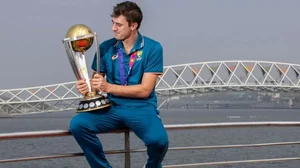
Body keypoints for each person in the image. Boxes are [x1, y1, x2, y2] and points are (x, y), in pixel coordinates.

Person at [69, 1, 169, 168]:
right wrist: (86, 88)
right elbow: (95, 83)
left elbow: (145, 90)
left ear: (133, 25)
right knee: (78, 125)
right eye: (113, 23)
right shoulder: (105, 47)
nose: (113, 28)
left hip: (141, 108)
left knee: (159, 141)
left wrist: (108, 87)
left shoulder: (153, 48)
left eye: (119, 24)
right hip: (112, 107)